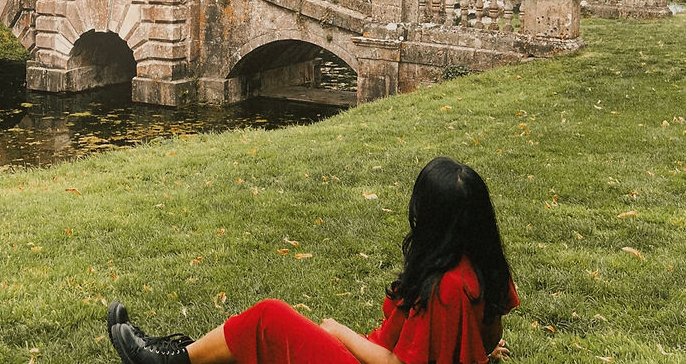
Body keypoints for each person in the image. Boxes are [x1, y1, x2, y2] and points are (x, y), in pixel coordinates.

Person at [108, 156, 519, 364]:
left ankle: (167, 360)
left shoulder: (446, 286)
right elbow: (489, 330)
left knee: (269, 317)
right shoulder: (483, 265)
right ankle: (174, 353)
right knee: (270, 330)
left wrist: (339, 331)